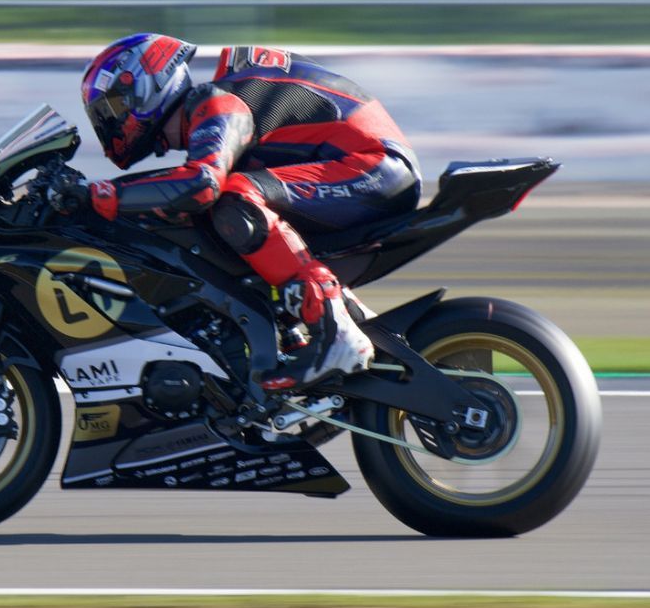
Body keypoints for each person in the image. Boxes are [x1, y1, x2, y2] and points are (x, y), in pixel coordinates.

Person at [59, 33, 421, 391]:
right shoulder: (208, 114)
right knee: (218, 221)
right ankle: (304, 336)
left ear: (144, 85)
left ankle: (336, 331)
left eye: (114, 107)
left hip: (377, 168)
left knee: (235, 197)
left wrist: (99, 194)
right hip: (357, 170)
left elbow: (201, 183)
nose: (111, 120)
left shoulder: (218, 101)